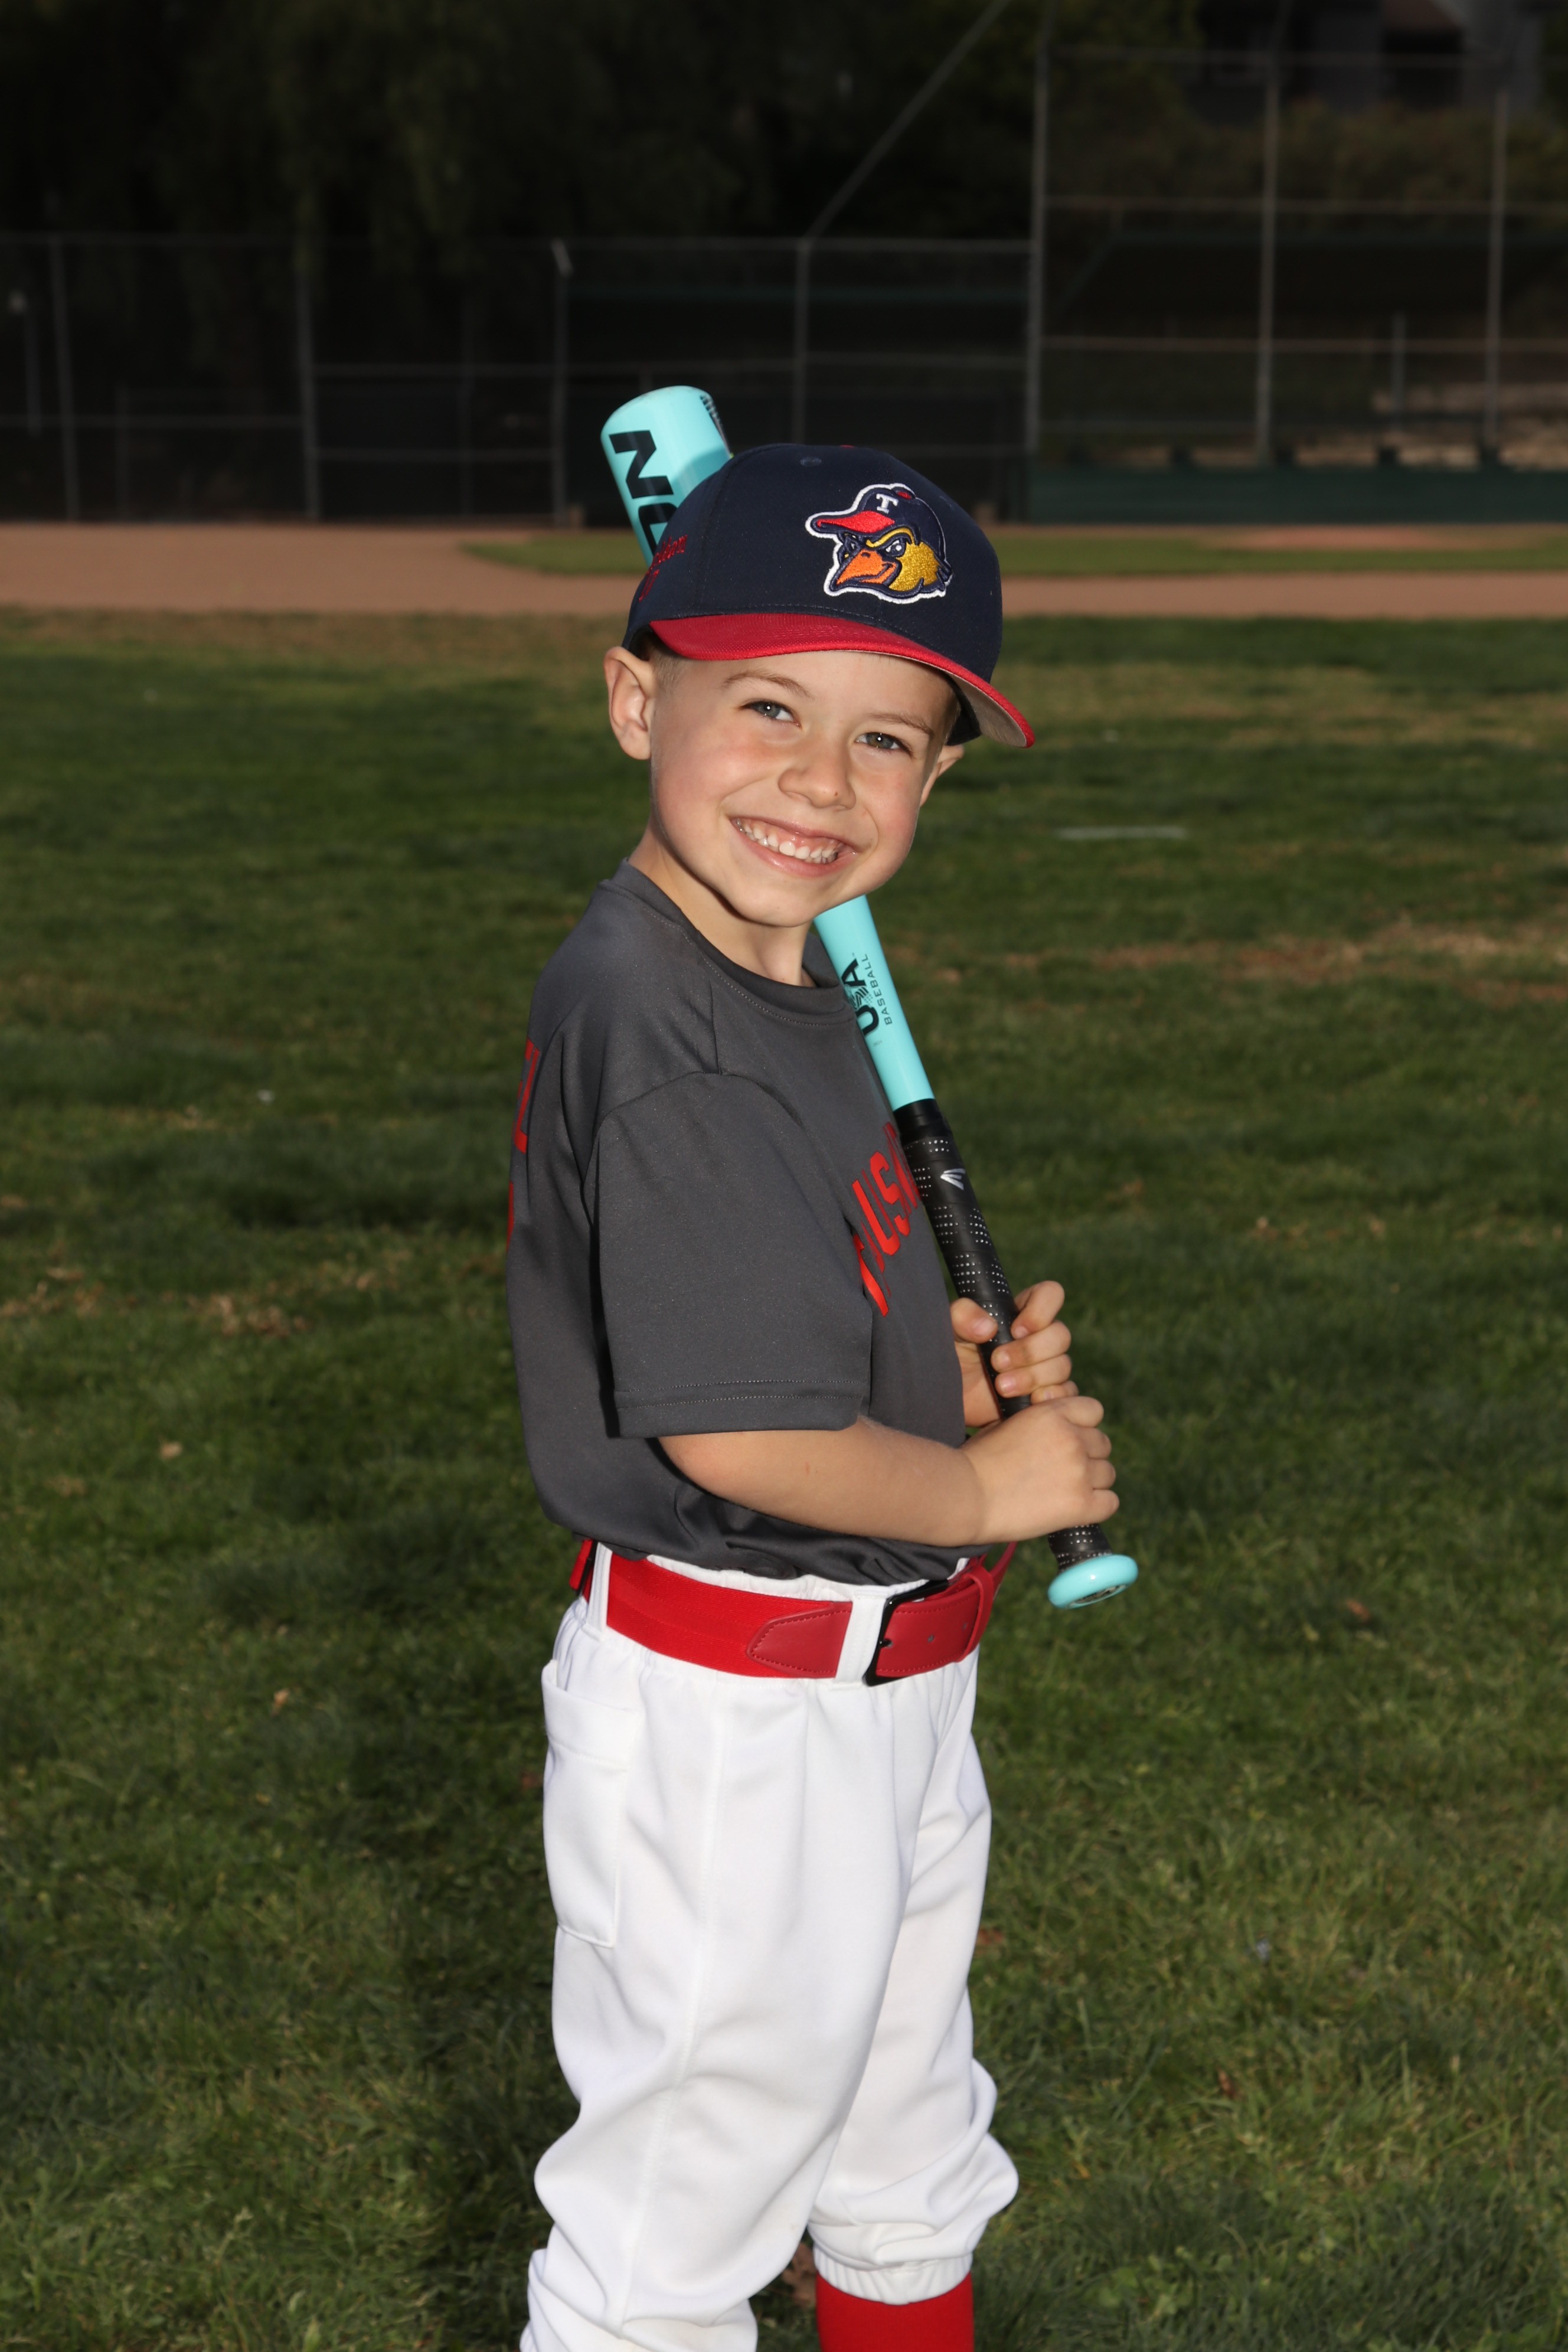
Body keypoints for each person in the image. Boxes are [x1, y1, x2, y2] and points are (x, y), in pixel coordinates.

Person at [505, 444, 1119, 2352]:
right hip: (742, 1724)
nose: (821, 782)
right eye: (766, 708)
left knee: (902, 2149)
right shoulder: (670, 1029)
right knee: (674, 2238)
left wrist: (940, 1392)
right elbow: (746, 1436)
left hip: (878, 1688)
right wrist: (991, 1492)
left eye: (885, 739)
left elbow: (798, 1327)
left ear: (940, 776)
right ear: (638, 703)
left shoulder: (769, 981)